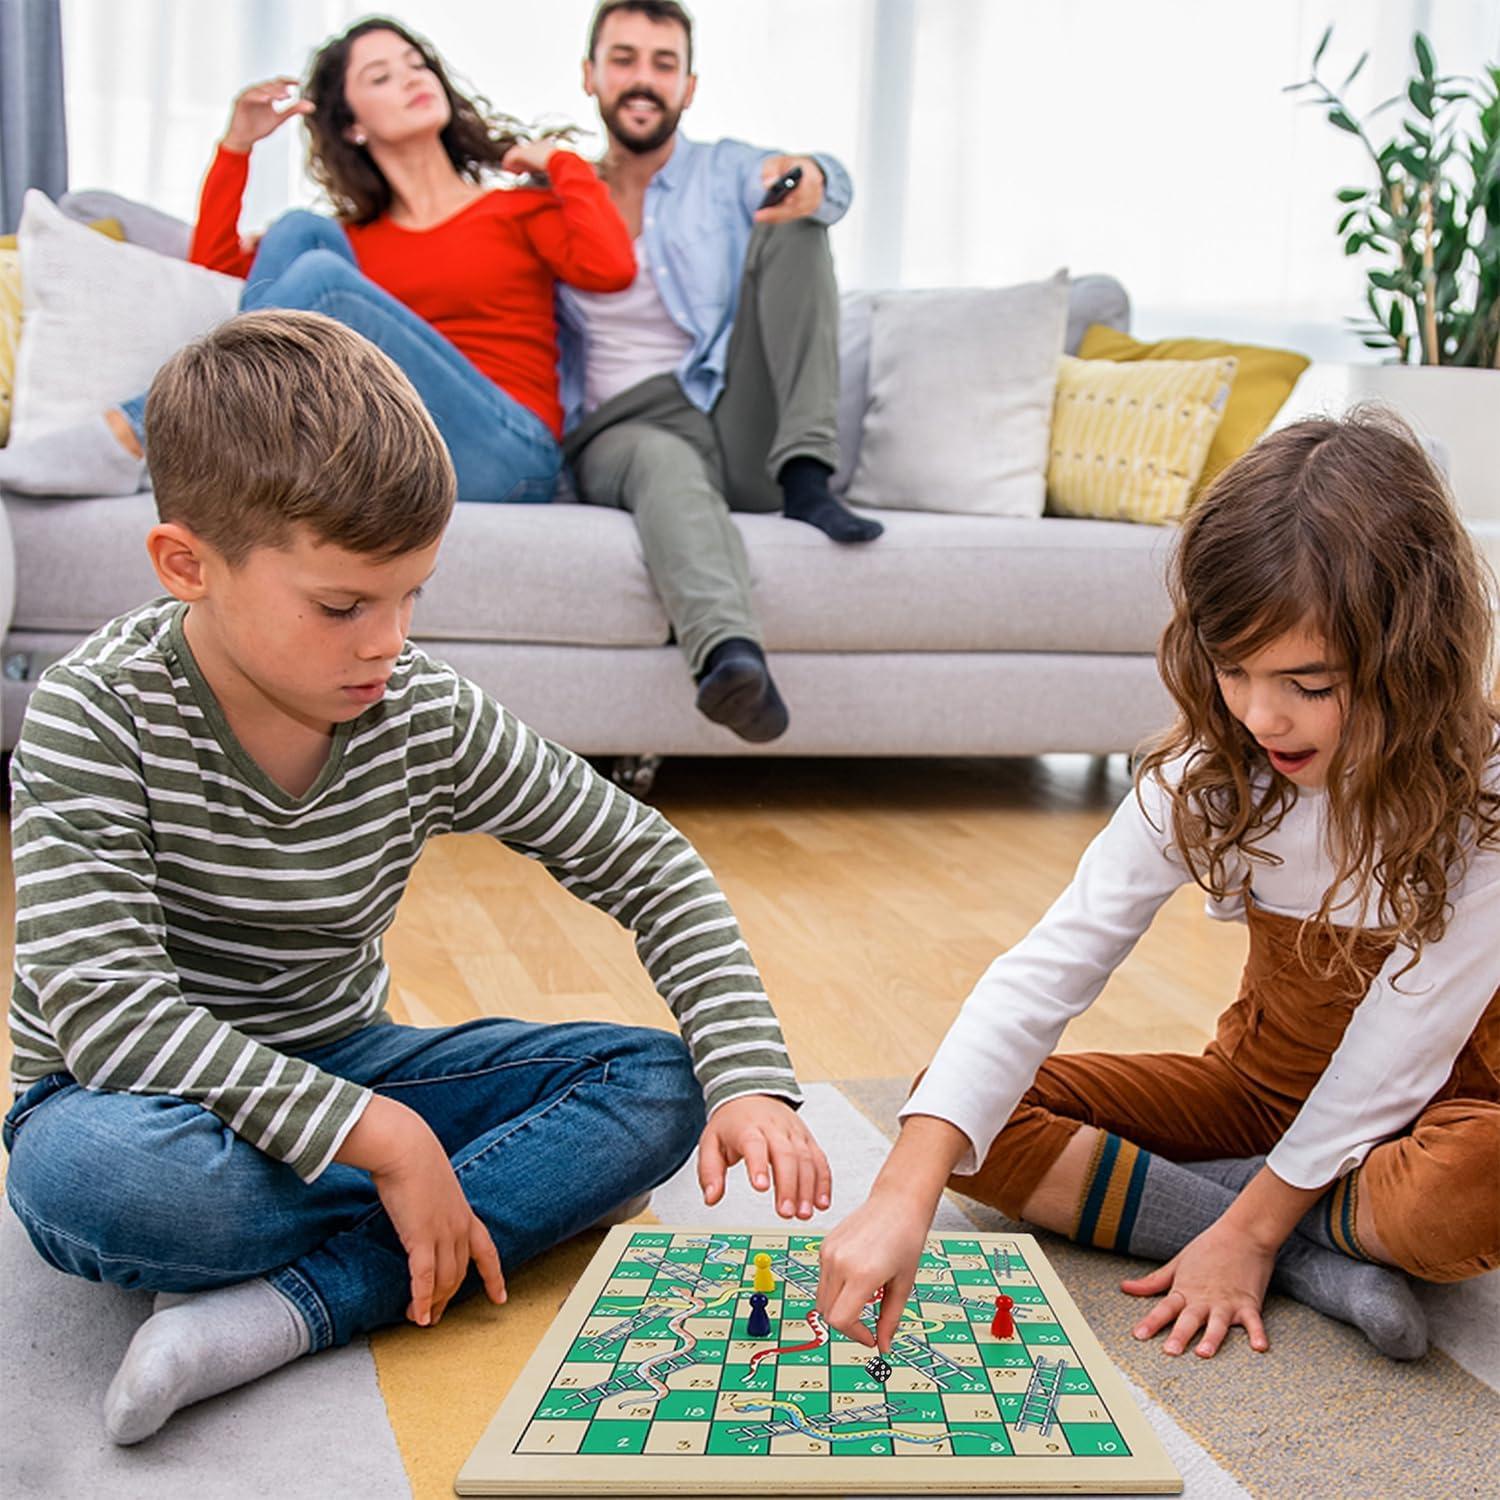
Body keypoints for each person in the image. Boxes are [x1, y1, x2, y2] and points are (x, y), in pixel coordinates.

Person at [2, 309, 831, 1446]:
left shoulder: (420, 711)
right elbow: (110, 1015)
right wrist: (391, 1142)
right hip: (126, 1102)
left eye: (411, 598)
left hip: (344, 1055)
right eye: (344, 605)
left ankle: (292, 1308)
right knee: (108, 1186)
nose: (387, 643)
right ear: (187, 564)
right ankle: (470, 1204)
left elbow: (649, 862)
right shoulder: (92, 712)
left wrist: (750, 1078)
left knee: (659, 1088)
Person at [814, 411, 1500, 1363]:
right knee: (957, 1112)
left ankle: (1246, 1220)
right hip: (1262, 1093)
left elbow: (1401, 1043)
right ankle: (1315, 1253)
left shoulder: (1485, 795)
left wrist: (1251, 1228)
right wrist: (901, 1192)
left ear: (1408, 657)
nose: (1263, 714)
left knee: (1473, 1186)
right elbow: (1051, 964)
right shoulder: (1207, 782)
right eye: (1234, 670)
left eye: (1308, 682)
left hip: (1439, 1114)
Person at [0, 16, 635, 503]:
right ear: (354, 125)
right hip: (395, 445)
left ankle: (141, 434)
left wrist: (560, 163)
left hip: (509, 452)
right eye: (381, 77)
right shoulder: (352, 244)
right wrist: (236, 148)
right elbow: (223, 282)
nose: (412, 79)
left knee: (324, 286)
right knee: (301, 231)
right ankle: (195, 439)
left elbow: (611, 267)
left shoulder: (514, 213)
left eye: (417, 65)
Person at [559, 0, 883, 745]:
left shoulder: (724, 170)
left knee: (797, 221)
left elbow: (826, 181)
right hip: (624, 425)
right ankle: (729, 660)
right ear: (591, 75)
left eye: (663, 64)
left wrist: (811, 177)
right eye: (625, 59)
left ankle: (805, 476)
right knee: (661, 462)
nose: (644, 80)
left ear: (689, 86)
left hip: (728, 413)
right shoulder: (557, 195)